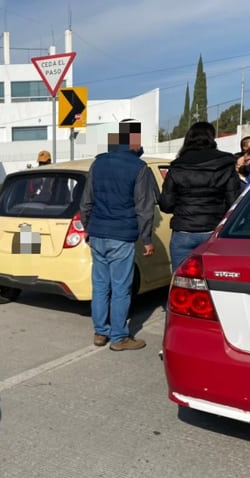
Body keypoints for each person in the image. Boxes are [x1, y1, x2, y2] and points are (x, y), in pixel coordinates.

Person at [80, 120, 158, 351]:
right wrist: (147, 239)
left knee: (101, 285)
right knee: (121, 288)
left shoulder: (98, 164)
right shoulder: (138, 167)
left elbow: (86, 201)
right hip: (121, 235)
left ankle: (100, 332)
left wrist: (87, 227)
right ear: (133, 141)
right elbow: (144, 207)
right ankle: (119, 337)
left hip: (97, 234)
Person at [158, 122, 239, 272]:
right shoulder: (225, 164)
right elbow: (234, 202)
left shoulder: (177, 166)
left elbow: (166, 205)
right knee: (214, 282)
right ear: (212, 137)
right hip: (213, 230)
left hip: (183, 231)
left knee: (181, 283)